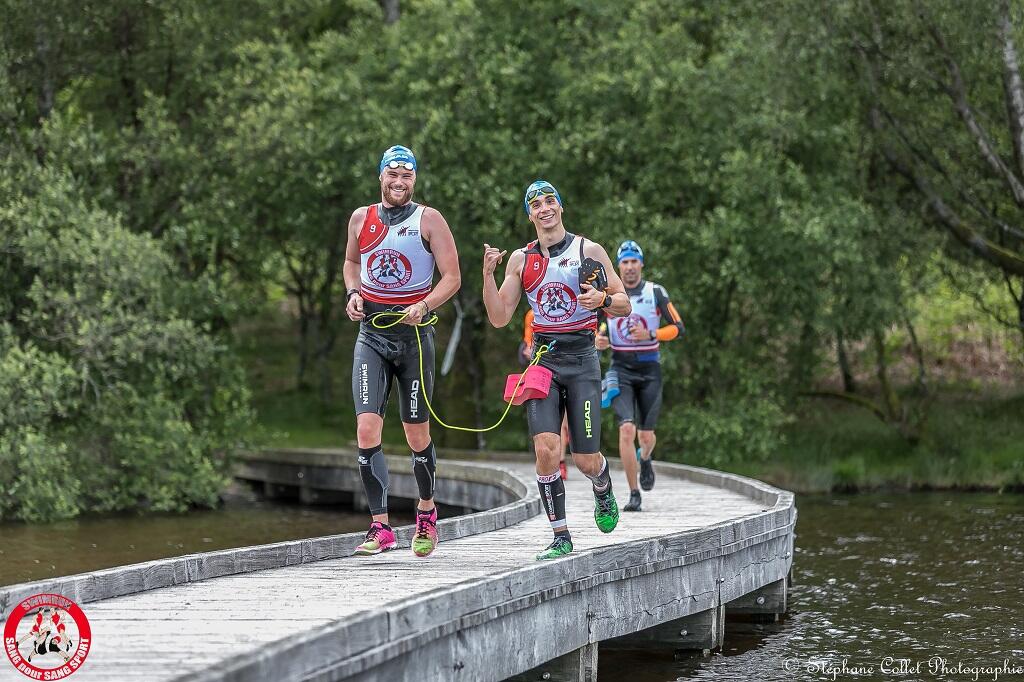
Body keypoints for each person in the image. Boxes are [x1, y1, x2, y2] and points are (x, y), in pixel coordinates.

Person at [483, 180, 632, 560]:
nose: (544, 208)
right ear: (529, 214)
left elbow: (624, 304)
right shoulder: (520, 260)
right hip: (544, 360)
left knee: (584, 459)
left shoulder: (589, 250)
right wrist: (487, 276)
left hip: (582, 359)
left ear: (560, 207)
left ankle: (602, 485)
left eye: (550, 201)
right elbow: (500, 317)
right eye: (536, 204)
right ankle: (560, 535)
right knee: (547, 450)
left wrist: (602, 299)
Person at [343, 145, 461, 557]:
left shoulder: (429, 219)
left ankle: (426, 512)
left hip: (413, 337)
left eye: (406, 177)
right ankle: (381, 527)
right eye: (392, 176)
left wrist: (425, 304)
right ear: (381, 178)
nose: (399, 183)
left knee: (416, 433)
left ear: (414, 179)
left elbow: (452, 277)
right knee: (366, 429)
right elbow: (352, 264)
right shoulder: (362, 218)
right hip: (372, 334)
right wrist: (353, 292)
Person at [596, 240, 685, 512]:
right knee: (626, 429)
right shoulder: (608, 294)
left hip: (649, 369)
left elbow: (678, 327)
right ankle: (634, 493)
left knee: (646, 436)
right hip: (621, 368)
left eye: (635, 261)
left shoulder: (655, 292)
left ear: (641, 264)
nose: (630, 267)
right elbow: (598, 326)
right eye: (625, 262)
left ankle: (645, 458)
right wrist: (599, 340)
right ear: (618, 266)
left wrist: (652, 334)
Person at [520, 309, 570, 480]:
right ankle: (556, 461)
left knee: (563, 423)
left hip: (570, 368)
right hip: (543, 371)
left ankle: (561, 461)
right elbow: (527, 343)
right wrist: (526, 351)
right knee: (553, 421)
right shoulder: (531, 314)